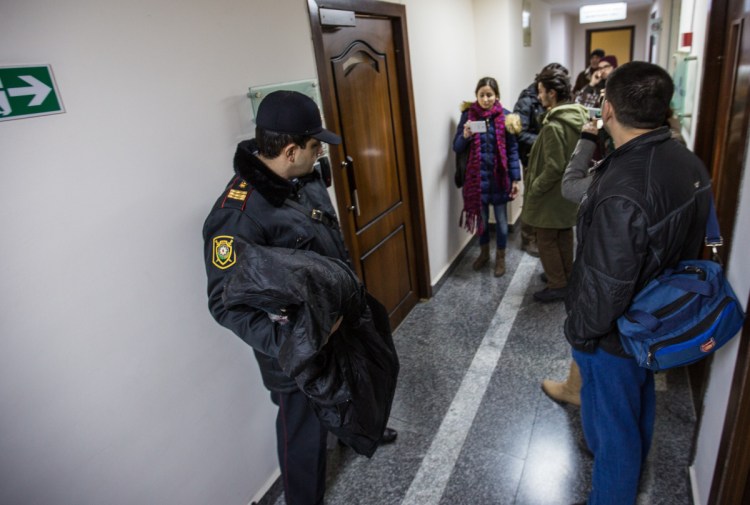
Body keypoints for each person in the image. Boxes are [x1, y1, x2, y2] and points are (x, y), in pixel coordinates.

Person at [202, 90, 397, 505]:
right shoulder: (237, 216)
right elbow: (225, 304)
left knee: (357, 384)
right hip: (297, 354)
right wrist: (302, 344)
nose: (320, 152)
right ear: (290, 150)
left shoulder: (299, 179)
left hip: (337, 325)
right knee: (303, 435)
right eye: (315, 145)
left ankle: (360, 429)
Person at [565, 62, 711, 505]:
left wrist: (581, 333)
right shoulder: (687, 160)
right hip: (658, 313)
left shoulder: (621, 189)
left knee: (615, 436)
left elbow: (607, 283)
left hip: (617, 332)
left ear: (606, 109)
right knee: (638, 402)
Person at [521, 66, 588, 303]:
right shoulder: (577, 117)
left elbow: (553, 167)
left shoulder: (553, 126)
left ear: (552, 93)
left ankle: (557, 283)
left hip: (550, 194)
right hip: (567, 192)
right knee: (563, 234)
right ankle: (565, 275)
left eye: (541, 92)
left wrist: (535, 190)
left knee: (546, 238)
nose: (539, 97)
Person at [453, 77, 521, 277]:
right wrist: (464, 135)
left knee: (501, 221)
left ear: (496, 95)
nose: (485, 99)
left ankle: (500, 257)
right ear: (476, 96)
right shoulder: (468, 116)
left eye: (489, 94)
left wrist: (516, 179)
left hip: (499, 181)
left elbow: (512, 150)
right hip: (476, 182)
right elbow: (456, 147)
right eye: (481, 95)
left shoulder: (507, 117)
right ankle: (484, 253)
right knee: (481, 220)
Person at [513, 63, 568, 257]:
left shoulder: (555, 101)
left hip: (548, 156)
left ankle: (541, 235)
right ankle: (528, 238)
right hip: (531, 158)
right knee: (532, 198)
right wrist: (546, 141)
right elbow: (520, 133)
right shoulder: (527, 101)